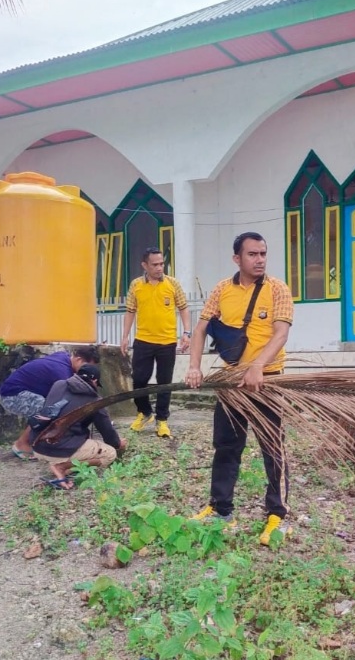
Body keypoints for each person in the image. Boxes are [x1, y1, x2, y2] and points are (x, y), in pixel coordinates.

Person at [185, 232, 294, 547]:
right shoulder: (222, 289)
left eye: (263, 253)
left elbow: (281, 334)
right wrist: (194, 366)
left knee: (273, 449)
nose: (259, 260)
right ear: (237, 258)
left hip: (268, 381)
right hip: (231, 382)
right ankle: (221, 507)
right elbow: (201, 328)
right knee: (226, 446)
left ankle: (277, 513)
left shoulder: (277, 289)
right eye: (252, 254)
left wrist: (258, 366)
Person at [121, 247, 191, 439]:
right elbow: (130, 311)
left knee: (164, 382)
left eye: (162, 264)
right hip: (143, 340)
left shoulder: (172, 284)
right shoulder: (136, 285)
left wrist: (186, 333)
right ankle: (144, 412)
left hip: (167, 342)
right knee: (139, 380)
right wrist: (125, 336)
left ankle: (162, 420)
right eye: (155, 265)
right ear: (145, 265)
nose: (160, 268)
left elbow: (184, 308)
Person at [32, 364, 126, 490]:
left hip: (38, 444)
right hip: (59, 448)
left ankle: (61, 467)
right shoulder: (95, 401)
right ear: (94, 380)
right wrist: (119, 443)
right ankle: (61, 467)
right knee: (109, 453)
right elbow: (109, 435)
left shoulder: (58, 384)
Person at [0, 346, 101, 460]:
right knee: (51, 411)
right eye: (86, 366)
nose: (87, 370)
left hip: (21, 391)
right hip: (13, 395)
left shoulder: (63, 357)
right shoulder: (62, 373)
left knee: (55, 408)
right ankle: (21, 444)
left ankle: (38, 443)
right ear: (78, 360)